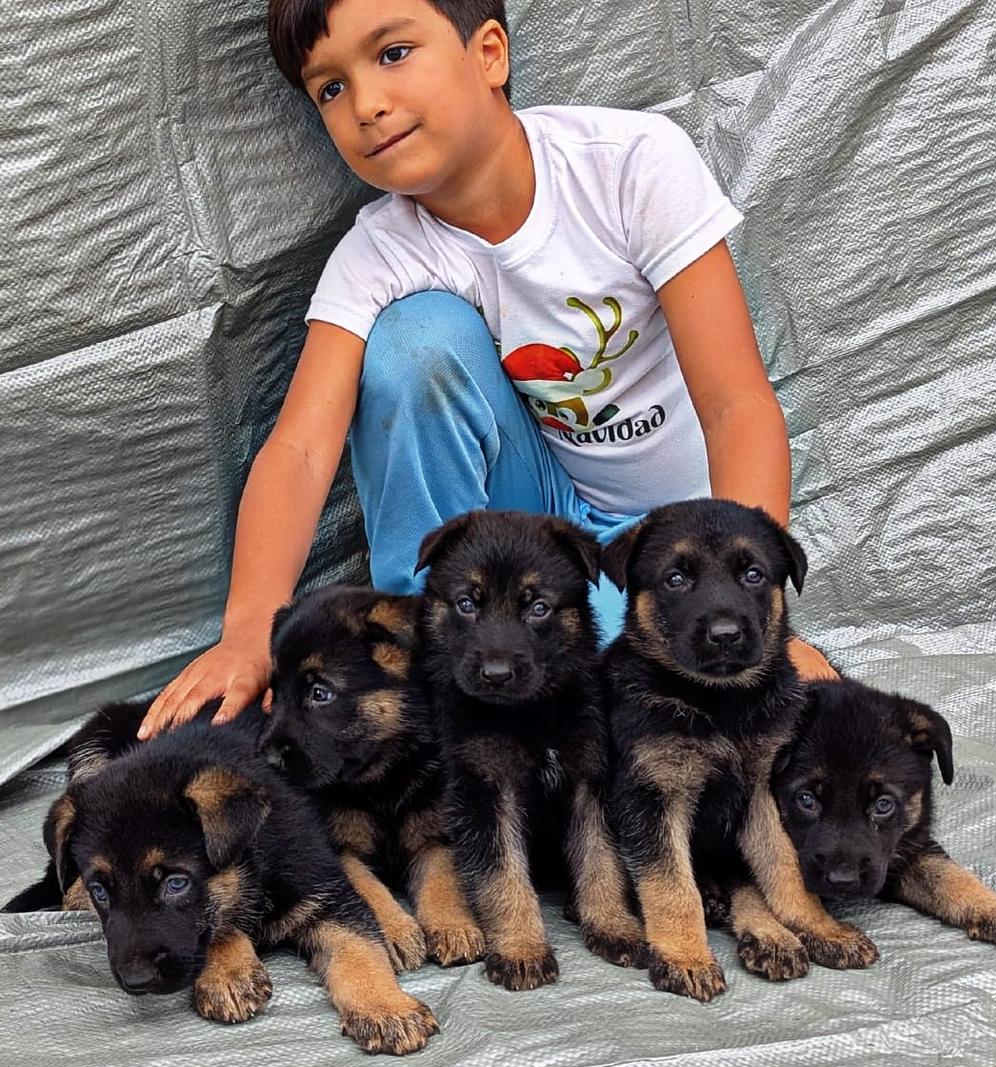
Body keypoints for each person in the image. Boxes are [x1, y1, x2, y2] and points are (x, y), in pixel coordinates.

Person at [138, 0, 834, 739]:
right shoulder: (379, 253)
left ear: (490, 54)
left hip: (677, 548)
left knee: (654, 692)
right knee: (416, 339)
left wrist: (756, 610)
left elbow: (737, 405)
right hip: (536, 529)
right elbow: (301, 448)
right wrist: (249, 631)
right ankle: (434, 645)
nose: (367, 104)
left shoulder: (629, 165)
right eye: (330, 89)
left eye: (394, 53)